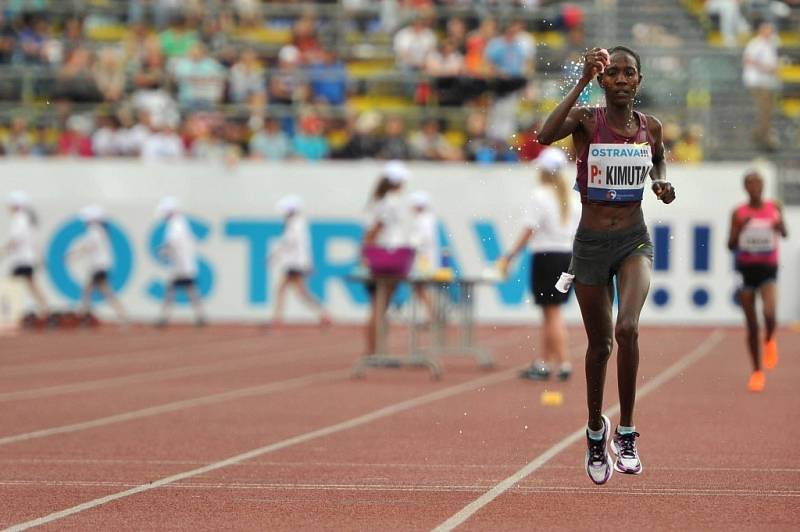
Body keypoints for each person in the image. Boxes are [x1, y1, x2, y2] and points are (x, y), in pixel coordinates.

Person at [537, 46, 676, 485]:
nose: (620, 78)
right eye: (612, 72)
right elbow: (543, 136)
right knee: (600, 347)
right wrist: (580, 80)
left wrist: (660, 182)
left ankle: (628, 432)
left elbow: (658, 158)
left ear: (639, 80)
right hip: (592, 245)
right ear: (602, 80)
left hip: (634, 240)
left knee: (628, 329)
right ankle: (596, 429)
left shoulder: (649, 126)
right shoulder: (586, 119)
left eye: (628, 73)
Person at [498, 147, 580, 382]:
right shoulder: (571, 197)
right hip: (566, 257)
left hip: (546, 257)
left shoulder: (540, 195)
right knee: (550, 311)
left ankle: (564, 362)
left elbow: (529, 230)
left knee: (551, 312)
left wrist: (509, 256)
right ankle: (545, 362)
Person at [727, 170, 787, 392]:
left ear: (763, 186)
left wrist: (779, 226)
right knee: (752, 326)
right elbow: (730, 244)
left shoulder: (774, 208)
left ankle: (770, 339)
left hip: (768, 270)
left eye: (758, 183)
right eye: (751, 184)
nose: (755, 187)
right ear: (745, 188)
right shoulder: (739, 213)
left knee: (770, 315)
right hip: (746, 271)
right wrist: (742, 227)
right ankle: (757, 372)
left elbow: (786, 232)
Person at [361, 160, 409, 355]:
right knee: (379, 306)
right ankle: (374, 351)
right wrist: (366, 256)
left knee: (380, 306)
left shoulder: (381, 200)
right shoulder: (389, 202)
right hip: (386, 259)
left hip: (384, 257)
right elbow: (374, 231)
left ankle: (377, 350)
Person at [268, 195, 331, 327]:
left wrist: (275, 256)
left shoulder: (295, 224)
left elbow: (290, 243)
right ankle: (323, 313)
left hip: (294, 263)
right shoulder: (298, 223)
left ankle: (277, 319)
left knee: (286, 290)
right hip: (297, 262)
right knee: (298, 291)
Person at [67, 205, 128, 325]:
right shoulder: (100, 230)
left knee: (98, 292)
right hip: (101, 265)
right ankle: (83, 315)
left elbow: (89, 246)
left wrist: (74, 254)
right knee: (92, 291)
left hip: (98, 266)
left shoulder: (94, 230)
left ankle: (82, 315)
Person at [155, 197, 206, 327]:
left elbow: (173, 241)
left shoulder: (176, 224)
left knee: (179, 290)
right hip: (182, 263)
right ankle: (199, 316)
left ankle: (164, 317)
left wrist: (164, 250)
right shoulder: (181, 223)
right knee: (186, 290)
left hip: (180, 264)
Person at [1, 191, 48, 318]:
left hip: (21, 259)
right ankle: (45, 308)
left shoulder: (19, 218)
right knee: (31, 284)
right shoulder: (27, 218)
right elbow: (34, 241)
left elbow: (16, 239)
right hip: (27, 258)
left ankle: (8, 313)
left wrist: (3, 250)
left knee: (10, 284)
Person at [742, 21, 779, 152]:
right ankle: (762, 138)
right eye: (768, 30)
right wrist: (765, 68)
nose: (770, 32)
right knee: (763, 111)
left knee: (767, 112)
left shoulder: (770, 44)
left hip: (766, 82)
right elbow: (748, 59)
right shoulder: (756, 43)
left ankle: (762, 136)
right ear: (761, 30)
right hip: (757, 82)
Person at [408, 190, 438, 319]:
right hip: (423, 258)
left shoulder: (424, 219)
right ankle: (431, 315)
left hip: (424, 260)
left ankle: (432, 315)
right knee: (419, 288)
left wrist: (410, 244)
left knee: (420, 287)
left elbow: (423, 238)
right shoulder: (425, 218)